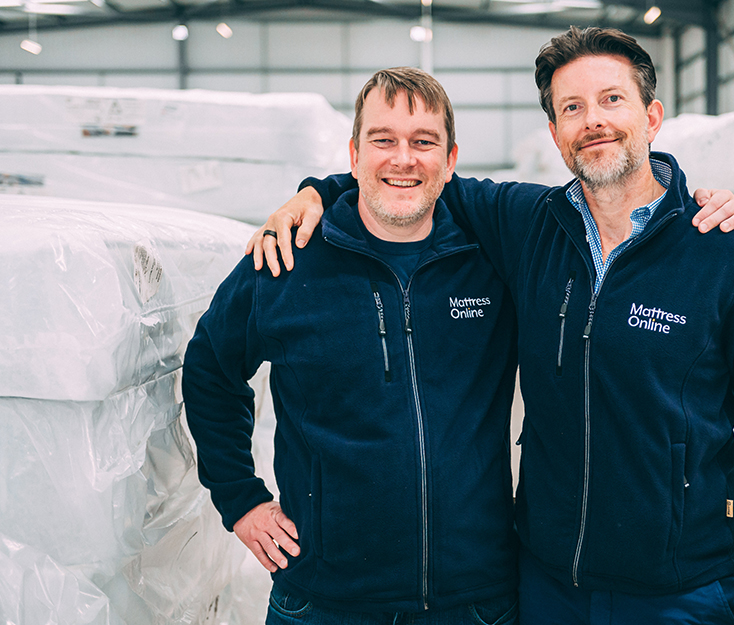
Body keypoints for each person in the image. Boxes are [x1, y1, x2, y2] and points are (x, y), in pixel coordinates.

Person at [248, 30, 734, 625]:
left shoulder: (725, 253)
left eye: (611, 100)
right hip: (547, 585)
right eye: (572, 108)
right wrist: (316, 191)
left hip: (679, 590)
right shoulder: (530, 226)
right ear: (555, 135)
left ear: (652, 116)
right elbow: (412, 175)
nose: (593, 121)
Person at [183, 68, 524, 625]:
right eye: (383, 140)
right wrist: (239, 498)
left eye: (423, 142)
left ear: (452, 158)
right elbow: (209, 369)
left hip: (476, 598)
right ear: (354, 152)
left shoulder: (492, 261)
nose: (403, 158)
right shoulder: (287, 260)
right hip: (325, 598)